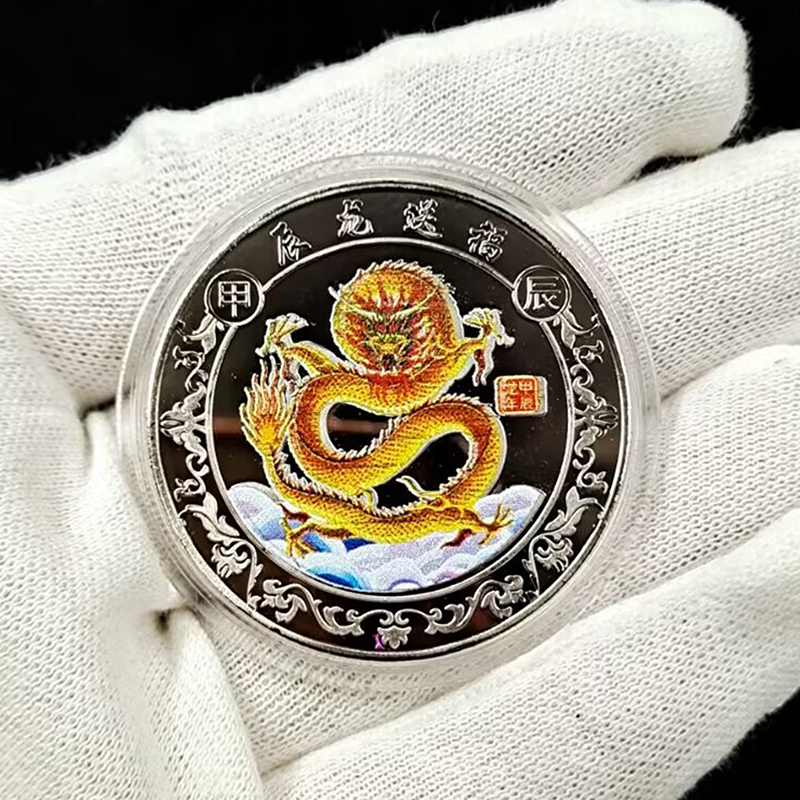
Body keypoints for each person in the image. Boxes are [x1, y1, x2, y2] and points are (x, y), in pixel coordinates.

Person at [1, 0, 798, 797]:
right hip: (328, 488)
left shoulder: (440, 366)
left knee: (468, 431)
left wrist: (469, 347)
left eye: (398, 337)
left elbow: (442, 377)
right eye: (372, 338)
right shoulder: (346, 375)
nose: (383, 353)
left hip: (400, 477)